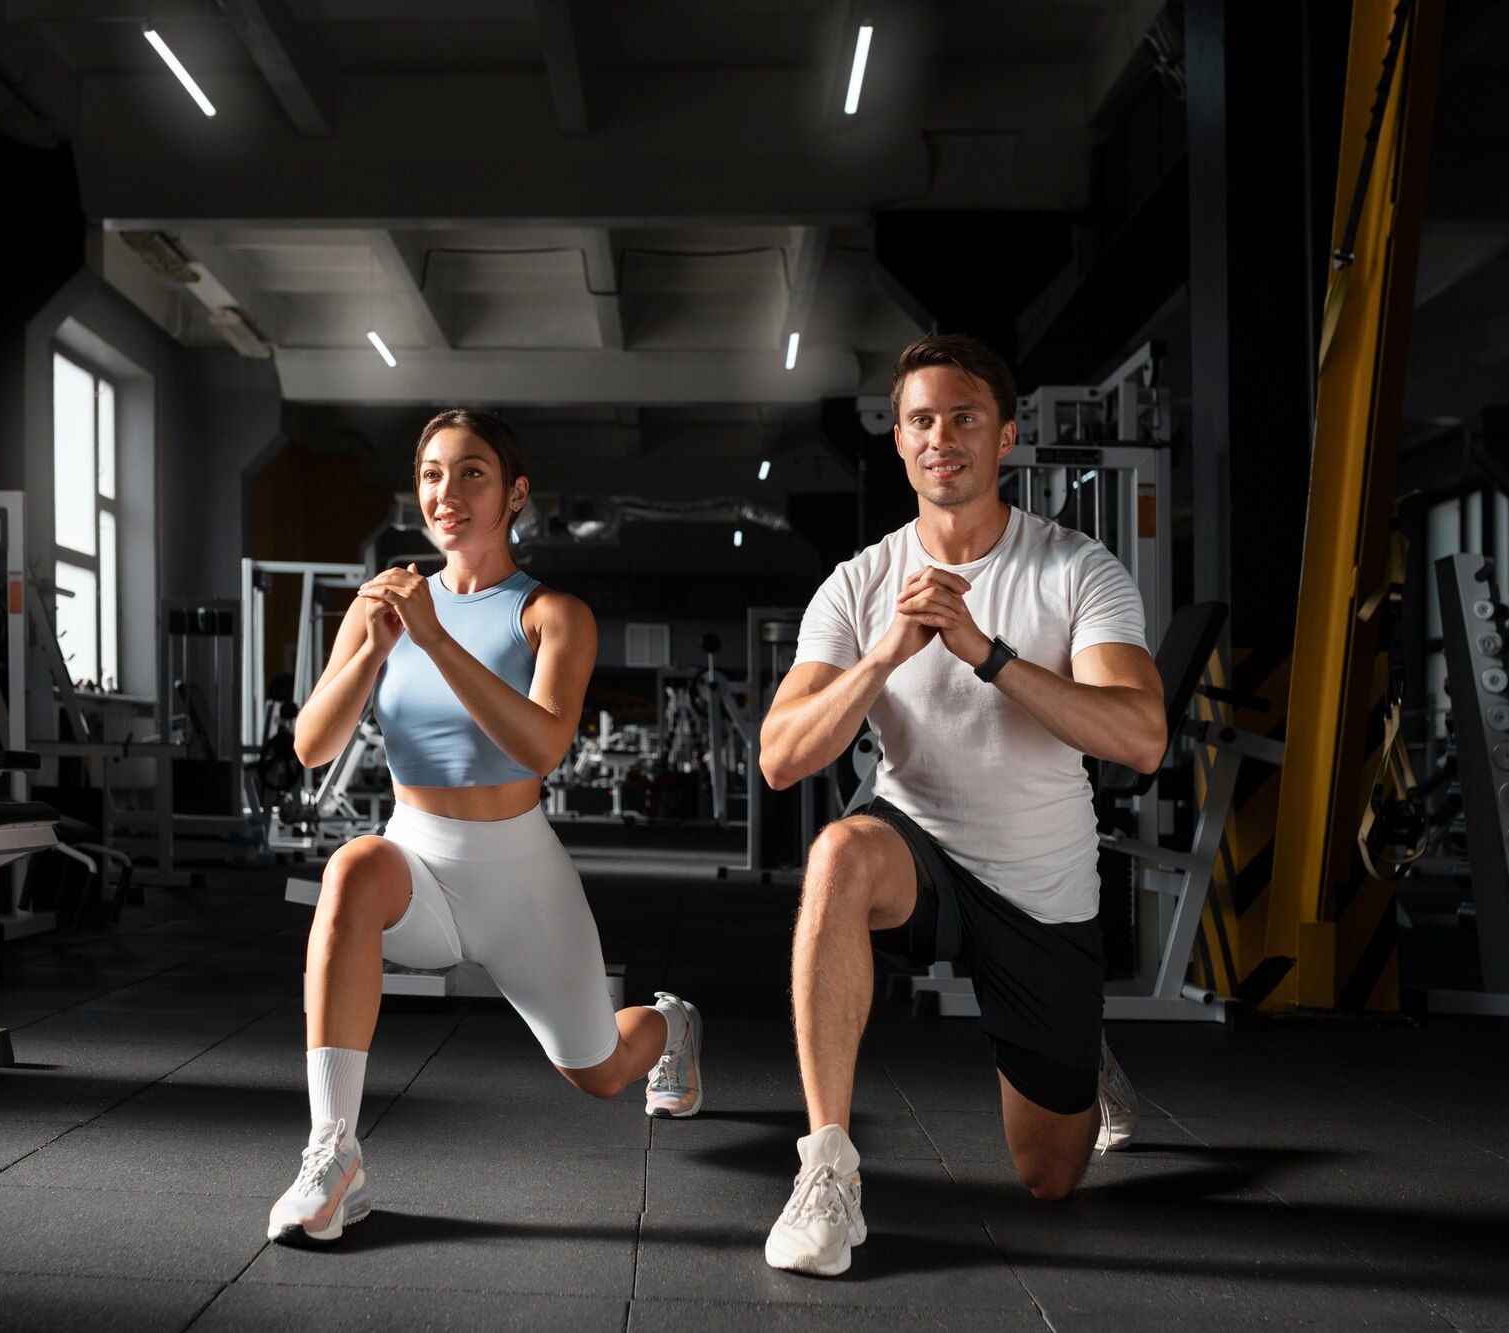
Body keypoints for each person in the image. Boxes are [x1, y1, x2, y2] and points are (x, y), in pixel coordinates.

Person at [756, 334, 1165, 1276]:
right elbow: (781, 758)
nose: (944, 436)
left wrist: (985, 651)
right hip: (918, 856)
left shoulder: (1075, 569)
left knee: (1050, 1179)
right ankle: (827, 1168)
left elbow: (1142, 735)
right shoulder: (858, 583)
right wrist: (882, 656)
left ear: (1007, 435)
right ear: (899, 443)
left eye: (966, 416)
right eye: (923, 420)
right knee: (838, 855)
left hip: (1040, 886)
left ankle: (1083, 1056)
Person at [267, 408, 703, 1245]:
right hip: (418, 864)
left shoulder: (551, 613)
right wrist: (377, 644)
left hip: (520, 879)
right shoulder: (381, 605)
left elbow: (541, 747)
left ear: (515, 494)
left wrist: (432, 637)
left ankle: (673, 1023)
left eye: (472, 472)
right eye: (432, 473)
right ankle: (334, 1151)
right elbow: (312, 742)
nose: (448, 492)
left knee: (603, 1073)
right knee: (353, 866)